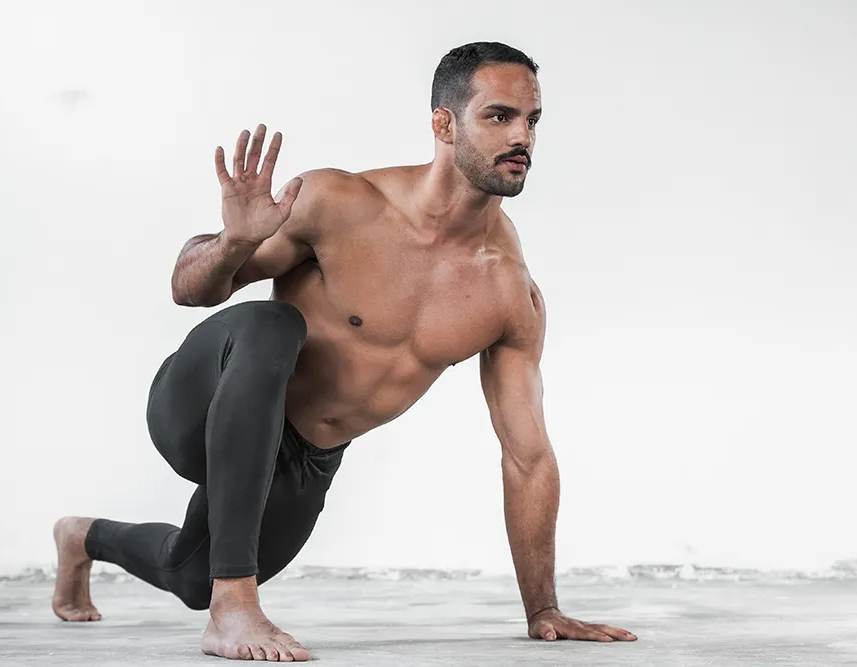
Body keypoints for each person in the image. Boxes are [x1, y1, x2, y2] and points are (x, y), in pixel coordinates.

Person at [51, 41, 637, 661]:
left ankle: (82, 539)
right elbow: (189, 290)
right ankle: (236, 607)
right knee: (273, 325)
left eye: (532, 119)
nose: (522, 136)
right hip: (199, 407)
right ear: (443, 123)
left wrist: (542, 609)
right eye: (499, 116)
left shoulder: (507, 292)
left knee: (190, 576)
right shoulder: (340, 205)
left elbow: (528, 457)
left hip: (302, 458)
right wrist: (231, 242)